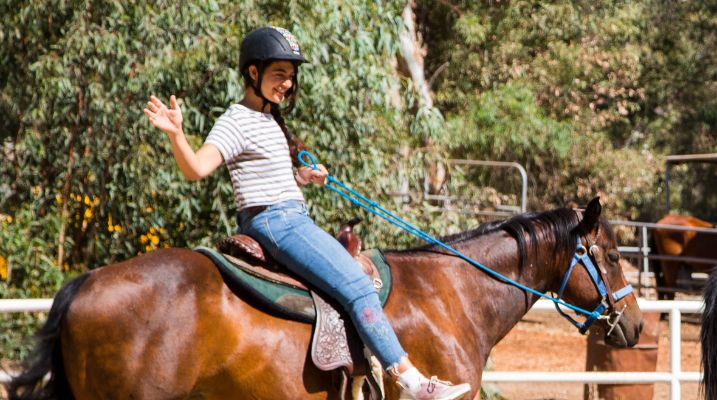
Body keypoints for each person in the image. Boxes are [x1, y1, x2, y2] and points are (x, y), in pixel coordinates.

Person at [143, 26, 472, 400]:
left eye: (291, 75)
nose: (287, 83)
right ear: (253, 73)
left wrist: (301, 177)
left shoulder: (270, 120)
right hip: (278, 222)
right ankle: (411, 382)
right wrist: (177, 136)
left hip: (287, 215)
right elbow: (196, 169)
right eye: (279, 73)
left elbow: (264, 179)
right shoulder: (236, 120)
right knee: (359, 288)